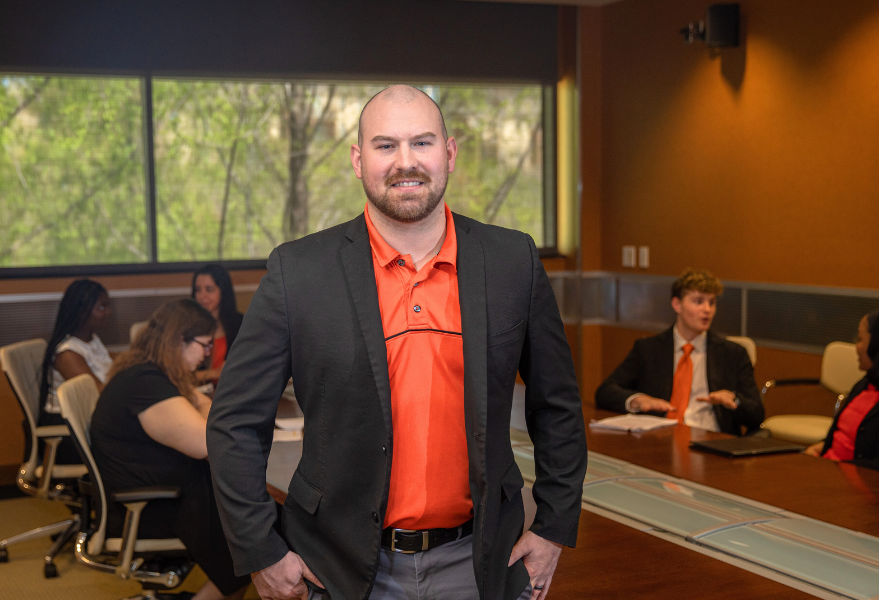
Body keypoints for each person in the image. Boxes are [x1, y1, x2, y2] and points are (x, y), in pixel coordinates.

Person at [207, 85, 586, 600]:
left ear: (448, 153)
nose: (405, 162)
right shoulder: (297, 272)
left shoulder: (511, 262)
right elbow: (234, 423)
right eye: (386, 146)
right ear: (358, 161)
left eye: (422, 143)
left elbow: (558, 406)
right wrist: (261, 550)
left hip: (479, 561)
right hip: (335, 565)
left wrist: (554, 527)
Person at [90, 299, 249, 600]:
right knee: (248, 545)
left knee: (247, 528)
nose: (206, 355)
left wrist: (201, 405)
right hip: (153, 506)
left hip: (161, 492)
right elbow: (207, 443)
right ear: (179, 340)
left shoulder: (148, 372)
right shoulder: (146, 384)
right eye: (204, 345)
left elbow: (202, 405)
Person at [595, 269, 763, 435]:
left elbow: (757, 414)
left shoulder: (732, 354)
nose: (707, 309)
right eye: (698, 301)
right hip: (660, 439)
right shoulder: (648, 349)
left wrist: (735, 401)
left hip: (710, 438)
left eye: (711, 302)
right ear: (677, 305)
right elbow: (605, 392)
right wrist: (637, 400)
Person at [805, 309, 879, 470]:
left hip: (851, 481)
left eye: (860, 339)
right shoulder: (865, 384)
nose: (856, 347)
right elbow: (844, 437)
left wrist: (831, 466)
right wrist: (822, 447)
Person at [39, 279, 113, 433]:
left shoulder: (93, 340)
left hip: (89, 416)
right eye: (101, 307)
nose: (108, 312)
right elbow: (96, 394)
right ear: (81, 311)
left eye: (107, 306)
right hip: (70, 428)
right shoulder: (67, 354)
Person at [191, 264, 244, 385]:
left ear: (223, 291)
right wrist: (214, 373)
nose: (202, 296)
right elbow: (178, 376)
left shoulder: (241, 323)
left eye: (209, 290)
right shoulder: (188, 325)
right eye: (198, 290)